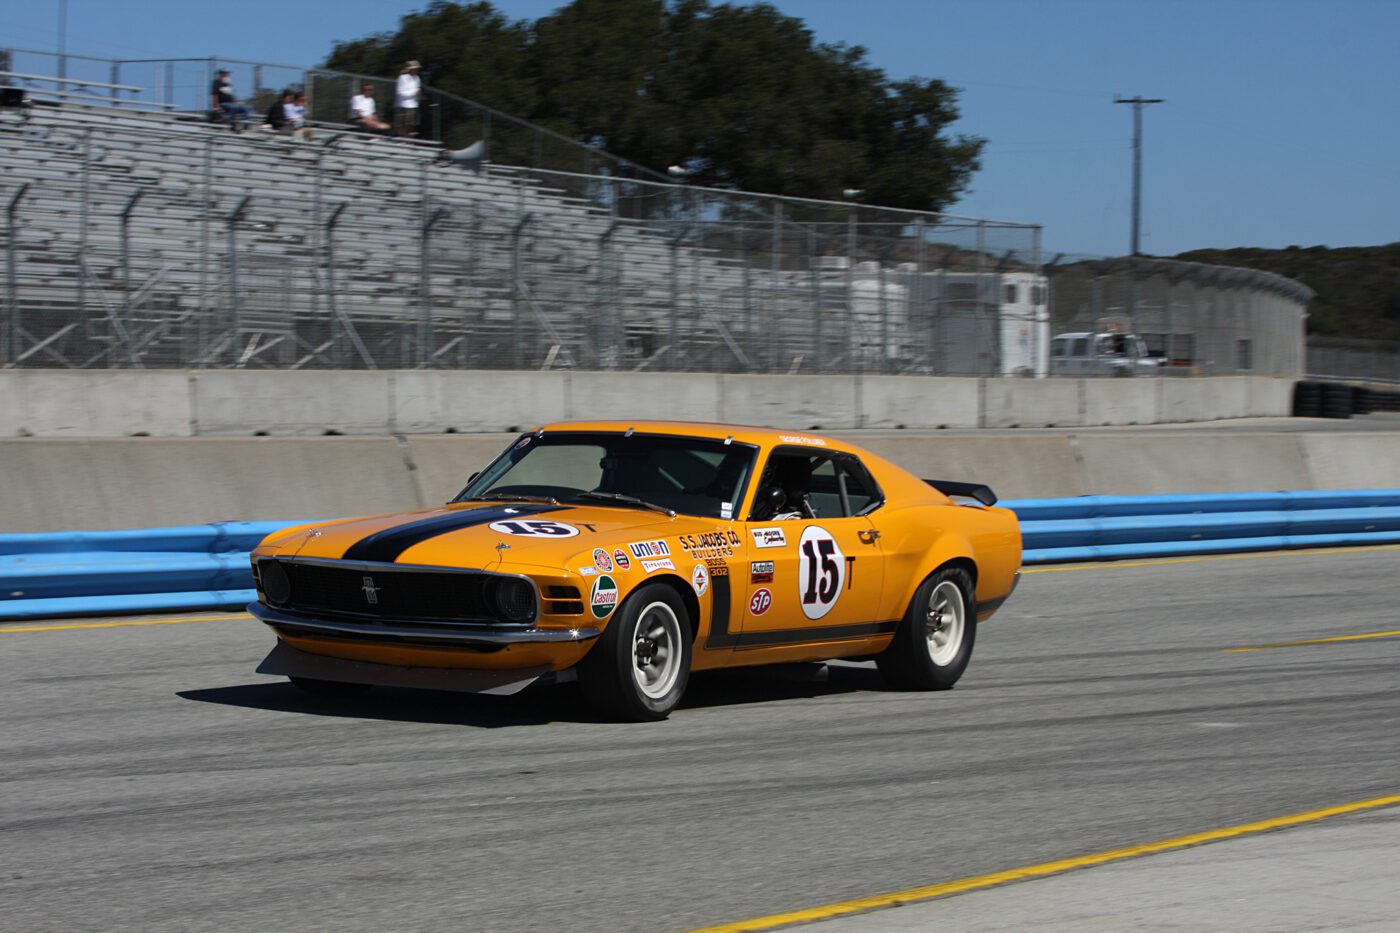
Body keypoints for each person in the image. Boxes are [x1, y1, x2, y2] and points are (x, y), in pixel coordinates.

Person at [394, 60, 423, 138]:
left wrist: (419, 95)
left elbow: (417, 88)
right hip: (403, 104)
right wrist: (413, 93)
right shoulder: (402, 78)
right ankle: (402, 137)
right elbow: (400, 92)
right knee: (403, 123)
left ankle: (408, 137)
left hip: (414, 104)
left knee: (412, 123)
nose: (416, 70)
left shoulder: (417, 78)